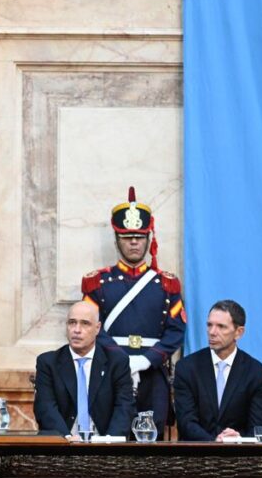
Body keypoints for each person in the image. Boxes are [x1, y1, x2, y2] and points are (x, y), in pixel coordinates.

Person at [81, 186, 186, 437]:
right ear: (117, 240)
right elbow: (90, 328)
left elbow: (176, 331)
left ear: (149, 239)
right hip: (111, 372)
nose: (134, 242)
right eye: (127, 237)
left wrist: (146, 361)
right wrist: (124, 361)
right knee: (111, 437)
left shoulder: (167, 284)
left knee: (151, 440)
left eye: (140, 236)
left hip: (153, 374)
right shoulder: (97, 283)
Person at [33, 300, 135, 439]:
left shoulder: (117, 362)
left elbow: (124, 407)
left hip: (105, 444)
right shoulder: (48, 362)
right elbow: (46, 408)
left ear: (97, 328)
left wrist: (109, 442)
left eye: (85, 323)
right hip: (62, 444)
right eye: (72, 322)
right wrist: (67, 439)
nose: (77, 330)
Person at [174, 299, 262, 441]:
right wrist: (214, 442)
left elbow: (258, 426)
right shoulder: (187, 368)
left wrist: (238, 439)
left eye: (221, 326)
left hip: (240, 451)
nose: (212, 332)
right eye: (209, 325)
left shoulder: (256, 372)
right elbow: (186, 422)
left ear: (239, 332)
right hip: (197, 450)